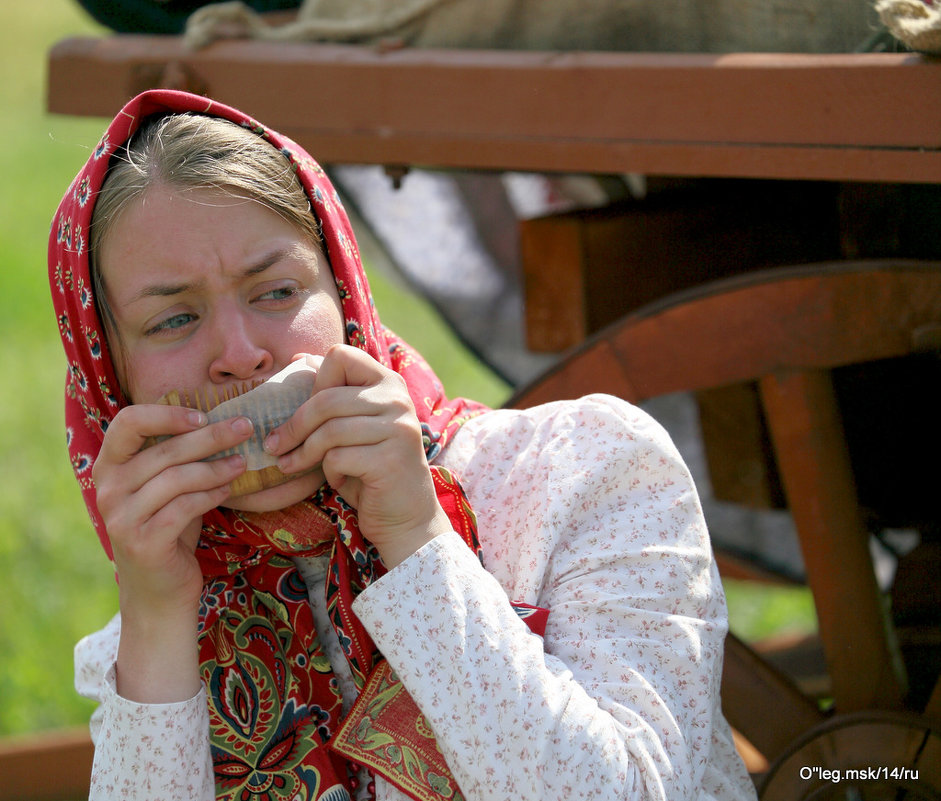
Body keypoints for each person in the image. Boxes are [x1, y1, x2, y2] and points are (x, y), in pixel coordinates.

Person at [50, 89, 757, 801]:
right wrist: (155, 615)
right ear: (110, 377)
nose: (239, 354)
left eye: (275, 291)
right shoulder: (157, 630)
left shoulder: (585, 471)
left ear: (346, 296)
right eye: (173, 319)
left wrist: (416, 539)